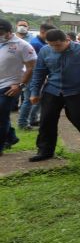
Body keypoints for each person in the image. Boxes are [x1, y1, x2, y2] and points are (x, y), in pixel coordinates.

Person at [28, 29, 80, 162]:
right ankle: (45, 150)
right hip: (52, 90)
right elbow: (39, 72)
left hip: (76, 92)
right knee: (46, 120)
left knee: (78, 118)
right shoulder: (45, 51)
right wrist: (34, 92)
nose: (54, 48)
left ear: (67, 41)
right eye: (51, 45)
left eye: (58, 45)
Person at [0, 19, 37, 156]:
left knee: (1, 117)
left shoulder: (23, 45)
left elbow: (31, 66)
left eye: (1, 33)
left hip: (10, 86)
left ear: (10, 32)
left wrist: (21, 85)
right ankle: (11, 137)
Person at [18, 23, 54, 129]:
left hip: (39, 75)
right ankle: (23, 123)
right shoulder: (35, 43)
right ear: (43, 32)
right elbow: (33, 63)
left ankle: (33, 120)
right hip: (33, 74)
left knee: (37, 99)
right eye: (50, 34)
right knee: (29, 99)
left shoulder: (41, 42)